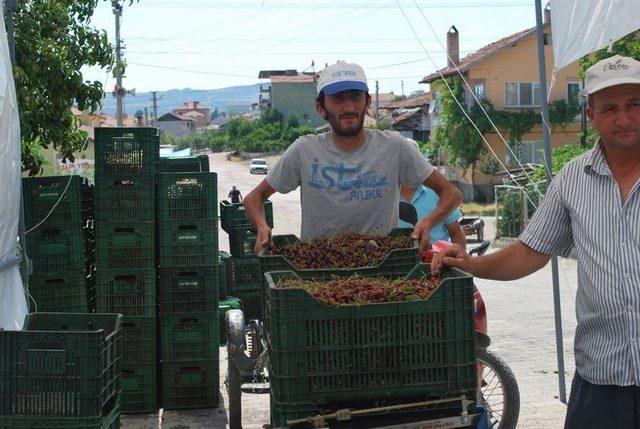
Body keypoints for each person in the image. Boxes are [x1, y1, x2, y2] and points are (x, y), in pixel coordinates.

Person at [431, 55, 640, 429]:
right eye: (610, 107)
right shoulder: (572, 181)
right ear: (591, 114)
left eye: (634, 105)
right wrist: (469, 263)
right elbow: (529, 253)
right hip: (602, 377)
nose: (623, 118)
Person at [243, 61, 462, 253]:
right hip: (317, 269)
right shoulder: (304, 150)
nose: (349, 107)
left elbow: (451, 193)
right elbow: (254, 198)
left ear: (367, 103)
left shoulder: (395, 147)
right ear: (321, 107)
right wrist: (262, 227)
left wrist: (429, 221)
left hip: (381, 266)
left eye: (355, 97)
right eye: (338, 98)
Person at [398, 183, 466, 248]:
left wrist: (461, 258)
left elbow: (455, 232)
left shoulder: (438, 192)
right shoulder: (388, 197)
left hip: (438, 257)